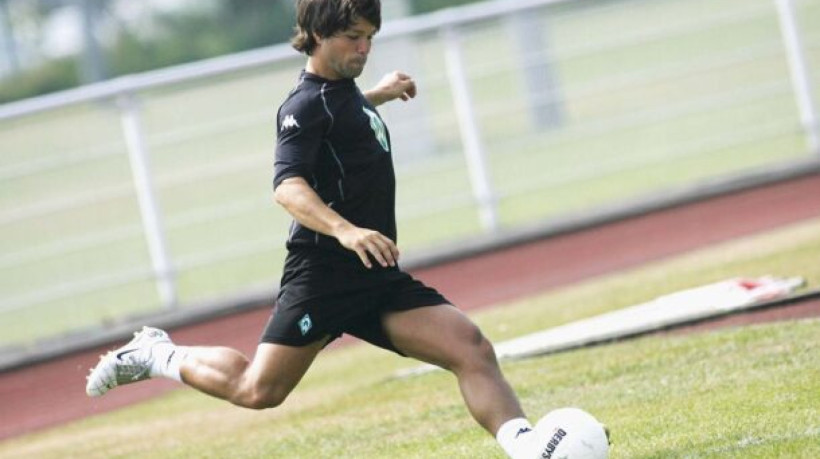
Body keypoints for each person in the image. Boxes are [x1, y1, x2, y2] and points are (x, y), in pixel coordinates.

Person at [86, 1, 548, 457]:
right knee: (257, 389)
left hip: (374, 273)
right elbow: (287, 186)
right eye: (353, 37)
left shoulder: (343, 94)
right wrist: (345, 230)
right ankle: (157, 353)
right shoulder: (303, 106)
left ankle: (526, 448)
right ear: (319, 34)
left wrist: (377, 96)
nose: (364, 48)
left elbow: (340, 122)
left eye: (370, 37)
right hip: (323, 276)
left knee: (471, 348)